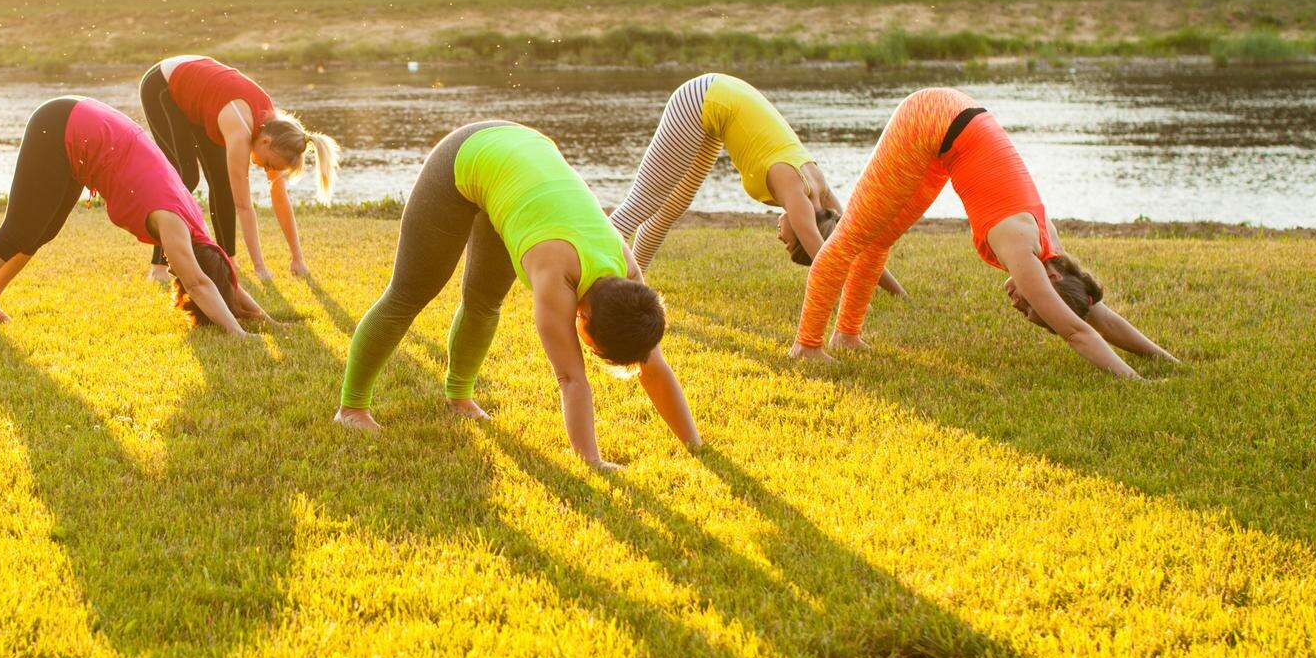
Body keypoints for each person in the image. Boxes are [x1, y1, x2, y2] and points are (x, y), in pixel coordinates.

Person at [335, 121, 701, 470]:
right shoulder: (556, 274)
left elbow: (652, 367)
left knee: (484, 300)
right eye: (594, 350)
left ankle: (459, 398)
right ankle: (351, 409)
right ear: (583, 318)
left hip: (522, 165)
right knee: (410, 293)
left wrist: (694, 445)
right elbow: (571, 380)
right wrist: (592, 462)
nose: (587, 353)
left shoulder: (629, 278)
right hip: (466, 155)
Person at [792, 88, 1177, 377]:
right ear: (1052, 279)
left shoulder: (1052, 251)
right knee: (850, 238)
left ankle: (847, 335)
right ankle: (805, 346)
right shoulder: (1024, 252)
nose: (1019, 305)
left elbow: (1094, 313)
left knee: (879, 237)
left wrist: (1167, 361)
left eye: (1026, 311)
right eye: (1031, 305)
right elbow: (1077, 331)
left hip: (951, 131)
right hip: (929, 120)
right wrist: (1135, 382)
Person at [0, 97, 274, 336]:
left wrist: (265, 318)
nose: (173, 270)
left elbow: (220, 278)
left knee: (40, 231)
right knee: (17, 231)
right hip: (64, 125)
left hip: (81, 128)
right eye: (179, 270)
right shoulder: (174, 223)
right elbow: (200, 283)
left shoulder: (195, 228)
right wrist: (240, 334)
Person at [608, 73, 902, 295]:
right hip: (700, 100)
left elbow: (856, 242)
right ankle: (585, 269)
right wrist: (849, 297)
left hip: (719, 103)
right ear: (802, 229)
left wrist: (896, 293)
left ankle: (635, 285)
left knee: (671, 207)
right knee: (643, 203)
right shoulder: (798, 197)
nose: (779, 239)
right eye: (788, 242)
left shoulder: (821, 192)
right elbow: (824, 259)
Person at [137, 54, 340, 283]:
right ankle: (159, 267)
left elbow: (280, 197)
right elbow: (243, 205)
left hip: (202, 95)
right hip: (163, 85)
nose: (266, 169)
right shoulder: (240, 128)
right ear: (265, 143)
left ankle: (228, 261)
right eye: (270, 165)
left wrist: (297, 258)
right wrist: (259, 267)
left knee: (221, 184)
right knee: (186, 177)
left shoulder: (276, 133)